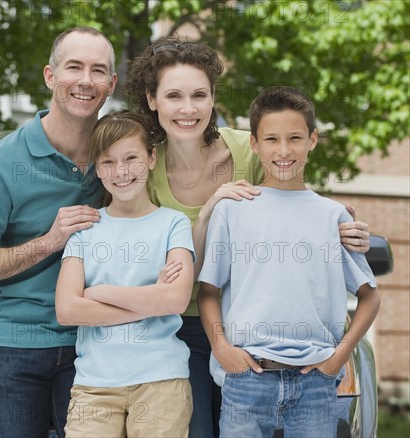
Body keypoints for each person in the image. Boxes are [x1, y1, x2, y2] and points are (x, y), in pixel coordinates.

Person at [122, 36, 372, 438]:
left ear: (213, 97)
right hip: (169, 329)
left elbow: (290, 203)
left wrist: (340, 226)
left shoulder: (250, 150)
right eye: (173, 96)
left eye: (199, 95)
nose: (188, 109)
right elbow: (138, 258)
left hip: (249, 332)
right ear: (152, 100)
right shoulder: (141, 165)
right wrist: (206, 215)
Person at [0, 27, 117, 438]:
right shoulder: (2, 162)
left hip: (93, 342)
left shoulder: (119, 156)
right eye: (73, 67)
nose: (85, 80)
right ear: (49, 76)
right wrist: (49, 240)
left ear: (112, 85)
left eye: (98, 71)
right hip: (15, 344)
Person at [197, 85, 380, 437]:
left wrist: (337, 358)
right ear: (255, 144)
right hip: (246, 380)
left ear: (312, 140)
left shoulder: (334, 216)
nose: (283, 150)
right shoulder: (233, 211)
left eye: (295, 138)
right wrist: (221, 347)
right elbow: (208, 291)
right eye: (271, 139)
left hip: (315, 384)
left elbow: (370, 296)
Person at [55, 110, 195, 437]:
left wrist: (100, 293)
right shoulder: (85, 230)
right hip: (95, 385)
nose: (121, 172)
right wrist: (149, 300)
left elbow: (175, 299)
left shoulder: (172, 224)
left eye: (131, 158)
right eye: (108, 162)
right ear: (97, 168)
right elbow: (68, 309)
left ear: (151, 158)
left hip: (161, 379)